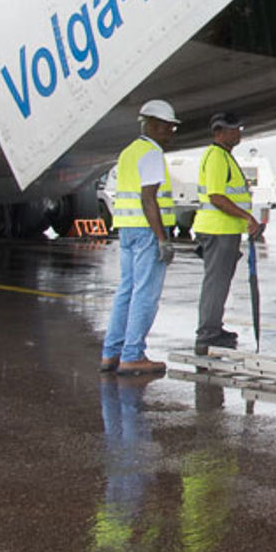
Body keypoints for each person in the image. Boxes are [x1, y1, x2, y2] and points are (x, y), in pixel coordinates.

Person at [100, 100, 179, 375]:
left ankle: (112, 353)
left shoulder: (128, 153)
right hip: (147, 231)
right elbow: (149, 199)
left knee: (126, 290)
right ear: (154, 125)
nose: (171, 133)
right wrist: (162, 239)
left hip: (127, 230)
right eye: (168, 127)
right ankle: (133, 355)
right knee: (145, 293)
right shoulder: (152, 154)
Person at [191, 112, 262, 355]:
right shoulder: (216, 157)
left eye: (239, 128)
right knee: (216, 283)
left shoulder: (224, 156)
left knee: (220, 283)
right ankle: (208, 333)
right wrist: (247, 217)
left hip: (225, 230)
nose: (238, 133)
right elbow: (217, 197)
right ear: (219, 132)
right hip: (217, 229)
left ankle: (213, 328)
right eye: (233, 129)